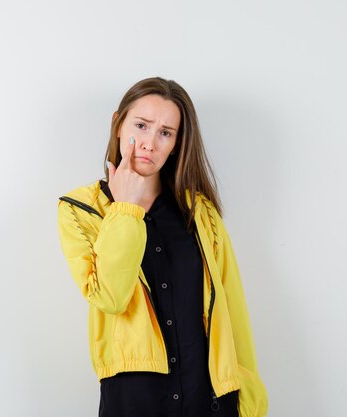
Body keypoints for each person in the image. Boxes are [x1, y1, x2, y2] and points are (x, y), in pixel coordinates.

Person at [57, 77, 268, 417]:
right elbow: (110, 297)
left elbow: (233, 312)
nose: (150, 143)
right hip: (134, 402)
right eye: (141, 125)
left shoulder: (201, 214)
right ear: (117, 124)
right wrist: (126, 209)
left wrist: (251, 403)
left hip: (210, 402)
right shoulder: (81, 210)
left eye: (165, 132)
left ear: (176, 144)